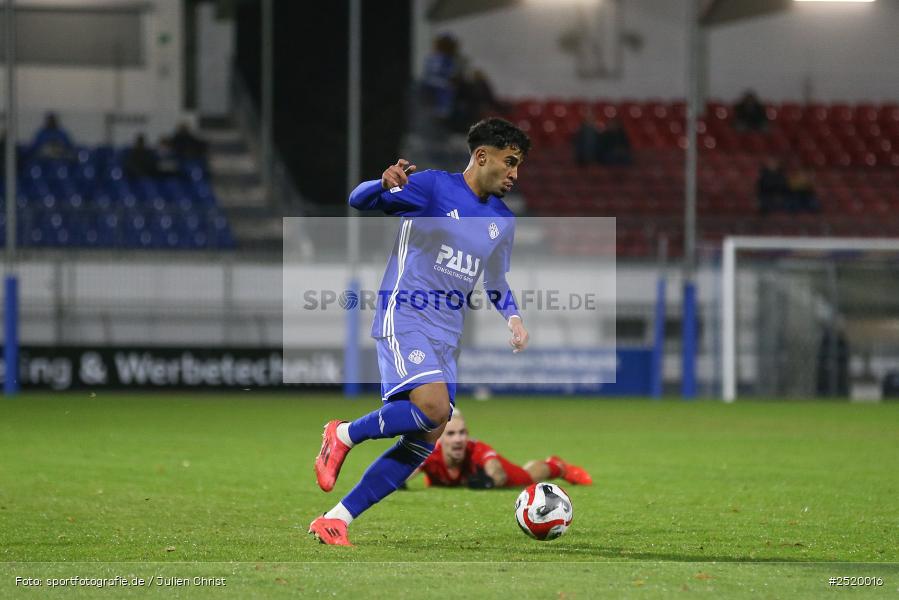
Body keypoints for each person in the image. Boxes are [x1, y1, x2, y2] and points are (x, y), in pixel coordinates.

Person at [309, 118, 531, 546]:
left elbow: (496, 281)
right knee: (434, 407)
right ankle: (342, 433)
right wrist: (382, 183)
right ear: (481, 157)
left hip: (448, 333)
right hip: (406, 313)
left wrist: (514, 318)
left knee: (426, 436)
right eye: (509, 162)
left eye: (519, 165)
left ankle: (336, 519)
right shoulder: (431, 187)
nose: (514, 174)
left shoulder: (502, 220)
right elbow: (358, 200)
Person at [416, 409, 592, 489]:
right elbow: (404, 471)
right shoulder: (429, 453)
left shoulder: (476, 449)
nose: (459, 439)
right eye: (452, 434)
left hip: (506, 476)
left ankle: (557, 466)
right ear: (439, 438)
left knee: (527, 477)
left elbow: (497, 472)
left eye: (463, 433)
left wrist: (489, 482)